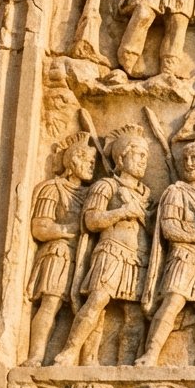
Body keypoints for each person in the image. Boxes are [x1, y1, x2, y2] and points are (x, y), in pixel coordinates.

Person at [54, 126, 153, 366]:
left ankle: (126, 364)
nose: (143, 161)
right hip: (111, 250)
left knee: (134, 314)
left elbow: (153, 230)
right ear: (121, 157)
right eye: (138, 154)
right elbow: (91, 220)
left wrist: (146, 217)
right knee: (98, 301)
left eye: (145, 157)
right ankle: (72, 352)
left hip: (138, 256)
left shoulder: (145, 194)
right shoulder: (106, 186)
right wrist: (121, 211)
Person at [138, 128, 195, 365]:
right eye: (185, 158)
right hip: (183, 257)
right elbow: (169, 229)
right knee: (173, 302)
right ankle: (151, 353)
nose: (189, 163)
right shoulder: (175, 192)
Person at [25, 132, 96, 366]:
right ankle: (36, 356)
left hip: (83, 256)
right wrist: (72, 230)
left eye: (94, 163)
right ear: (73, 161)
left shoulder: (91, 194)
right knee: (51, 304)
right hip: (60, 253)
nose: (91, 166)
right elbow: (40, 227)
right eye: (87, 161)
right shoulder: (53, 188)